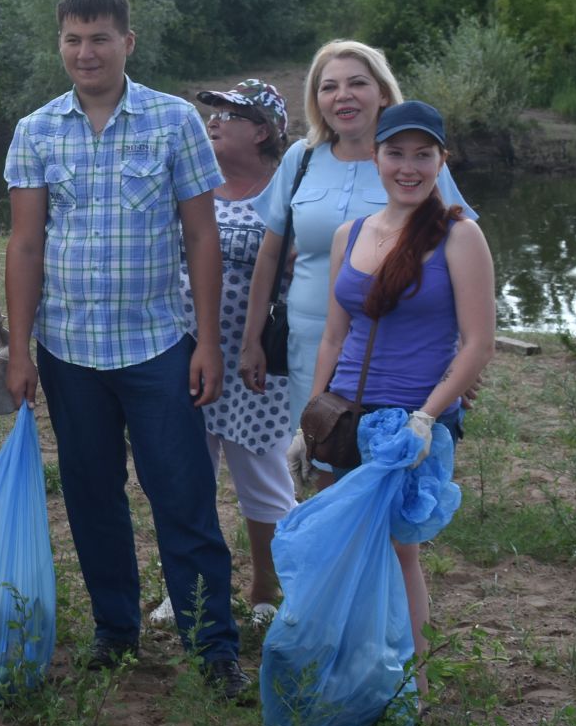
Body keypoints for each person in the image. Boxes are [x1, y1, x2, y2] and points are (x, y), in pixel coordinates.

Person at [3, 0, 247, 700]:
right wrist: (18, 350)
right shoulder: (35, 131)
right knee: (90, 494)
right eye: (73, 39)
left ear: (127, 43)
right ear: (61, 45)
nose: (86, 52)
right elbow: (24, 246)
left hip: (158, 344)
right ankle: (116, 632)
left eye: (100, 38)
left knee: (183, 494)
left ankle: (213, 647)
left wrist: (205, 341)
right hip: (70, 350)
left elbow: (201, 236)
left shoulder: (174, 122)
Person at [311, 100, 495, 690]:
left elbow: (478, 344)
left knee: (397, 551)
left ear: (443, 160)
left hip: (412, 423)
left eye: (423, 154)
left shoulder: (460, 236)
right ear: (376, 157)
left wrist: (427, 417)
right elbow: (334, 336)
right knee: (341, 545)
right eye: (396, 153)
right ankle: (348, 670)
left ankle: (404, 687)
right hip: (345, 418)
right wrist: (309, 420)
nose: (408, 167)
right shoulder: (352, 234)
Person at [237, 41, 476, 476]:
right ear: (317, 100)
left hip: (401, 356)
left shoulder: (415, 163)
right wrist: (252, 338)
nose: (342, 95)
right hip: (311, 345)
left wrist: (462, 358)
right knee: (326, 466)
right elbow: (270, 255)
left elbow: (460, 257)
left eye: (357, 83)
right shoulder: (302, 158)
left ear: (383, 92)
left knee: (390, 490)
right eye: (329, 87)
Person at [149, 79, 294, 633]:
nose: (213, 123)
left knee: (262, 476)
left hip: (255, 361)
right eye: (212, 114)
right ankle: (182, 589)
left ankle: (267, 587)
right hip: (184, 352)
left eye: (229, 116)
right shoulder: (192, 186)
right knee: (182, 476)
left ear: (262, 131)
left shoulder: (285, 191)